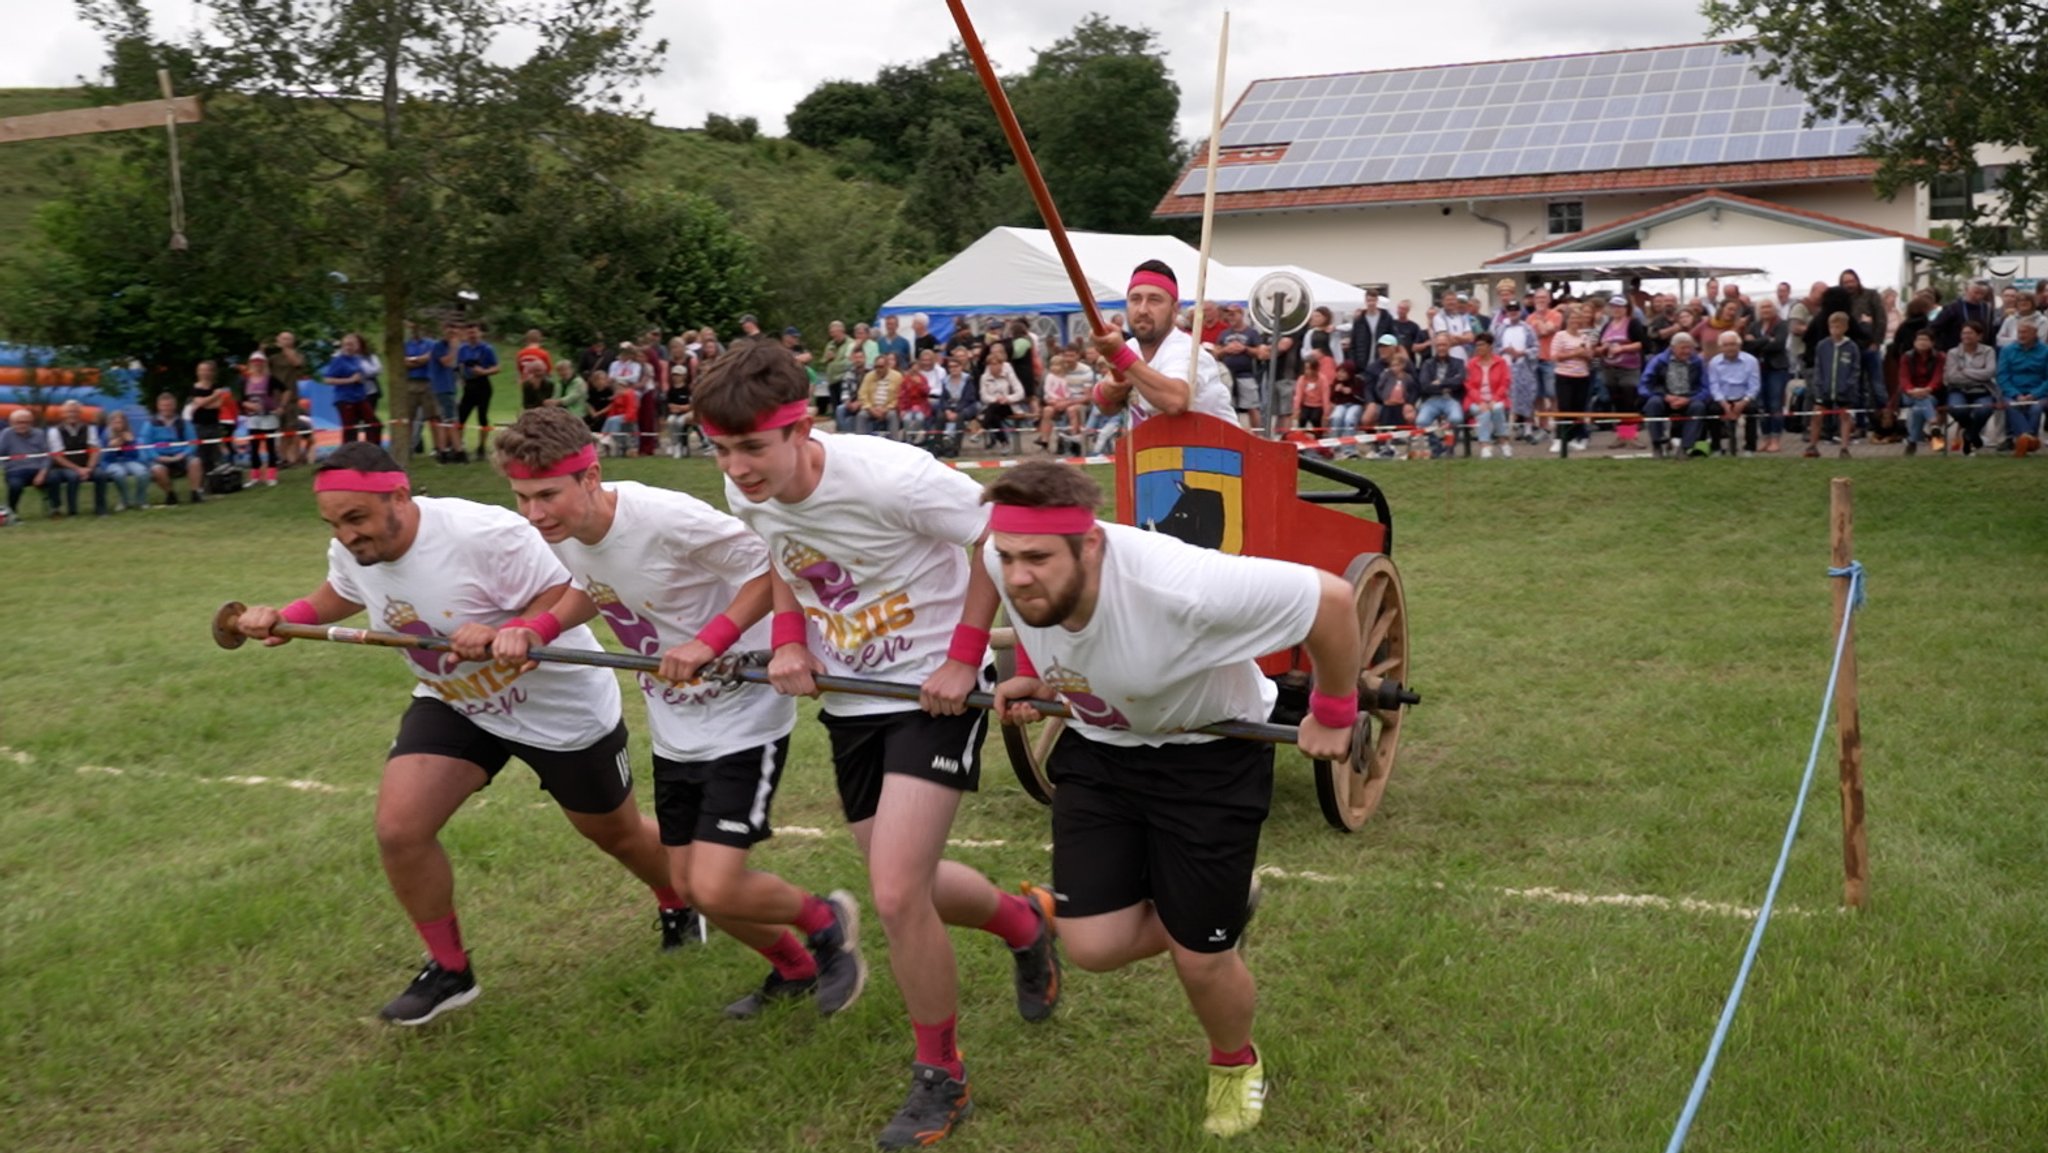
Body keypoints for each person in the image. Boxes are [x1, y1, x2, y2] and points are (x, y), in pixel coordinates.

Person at [693, 341, 1062, 1150]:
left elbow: (1000, 545)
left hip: (934, 690)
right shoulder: (745, 487)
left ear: (800, 426)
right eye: (721, 449)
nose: (738, 467)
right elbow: (783, 557)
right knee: (910, 882)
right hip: (855, 698)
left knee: (894, 894)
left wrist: (966, 657)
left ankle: (942, 1076)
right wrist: (789, 637)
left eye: (752, 446)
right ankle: (1026, 925)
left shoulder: (892, 476)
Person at [227, 442, 692, 1026]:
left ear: (399, 496)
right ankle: (450, 970)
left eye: (356, 519)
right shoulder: (352, 550)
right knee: (401, 829)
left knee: (617, 834)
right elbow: (343, 590)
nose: (346, 535)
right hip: (458, 703)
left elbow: (571, 590)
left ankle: (679, 900)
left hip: (559, 708)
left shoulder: (484, 534)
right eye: (334, 524)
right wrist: (288, 616)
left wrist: (515, 626)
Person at [983, 460, 1361, 1140]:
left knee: (1200, 957)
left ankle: (1234, 1062)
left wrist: (1334, 710)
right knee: (1093, 945)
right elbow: (1027, 607)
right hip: (1101, 751)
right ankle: (1216, 901)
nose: (1016, 575)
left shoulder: (1179, 587)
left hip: (1206, 762)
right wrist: (1043, 678)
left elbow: (1332, 600)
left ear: (1090, 543)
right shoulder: (1005, 553)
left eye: (1036, 558)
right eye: (1008, 557)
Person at [485, 407, 866, 1017]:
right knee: (691, 885)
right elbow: (594, 586)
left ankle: (826, 920)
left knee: (714, 882)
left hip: (742, 710)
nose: (534, 514)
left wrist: (708, 641)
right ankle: (792, 969)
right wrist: (540, 627)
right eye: (523, 498)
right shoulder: (569, 533)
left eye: (547, 495)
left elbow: (769, 569)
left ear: (590, 477)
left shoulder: (662, 518)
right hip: (674, 722)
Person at [1089, 261, 1238, 429]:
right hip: (1159, 453)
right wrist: (1110, 390)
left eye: (1154, 300)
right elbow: (1106, 407)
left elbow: (1175, 402)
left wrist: (1118, 355)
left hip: (1217, 451)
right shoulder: (1131, 348)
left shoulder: (1185, 351)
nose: (1143, 310)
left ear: (1175, 310)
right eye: (1135, 299)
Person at [1637, 332, 1708, 459]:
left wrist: (1688, 399)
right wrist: (1665, 396)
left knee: (1698, 407)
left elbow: (1706, 388)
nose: (1687, 351)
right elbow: (1644, 386)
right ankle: (1657, 445)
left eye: (1689, 348)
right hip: (1664, 397)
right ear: (1672, 348)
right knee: (1653, 403)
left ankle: (1685, 447)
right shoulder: (1658, 361)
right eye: (1683, 348)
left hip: (1688, 398)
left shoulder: (1697, 362)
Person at [1804, 313, 1862, 458]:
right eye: (1832, 327)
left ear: (1845, 328)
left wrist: (1849, 384)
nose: (1835, 330)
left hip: (1844, 390)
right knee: (1817, 415)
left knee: (1845, 417)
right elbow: (1818, 367)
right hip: (1825, 389)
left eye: (1838, 326)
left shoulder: (1852, 347)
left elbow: (1856, 369)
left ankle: (1844, 448)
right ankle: (1812, 446)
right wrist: (1818, 385)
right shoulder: (1823, 345)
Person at [1744, 301, 1792, 453]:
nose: (1766, 310)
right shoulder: (1754, 325)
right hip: (1758, 369)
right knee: (1761, 404)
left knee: (1775, 404)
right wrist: (1766, 340)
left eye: (1768, 307)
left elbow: (1778, 344)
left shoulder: (1782, 324)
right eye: (1763, 307)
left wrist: (1757, 343)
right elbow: (1748, 346)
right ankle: (1765, 438)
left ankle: (1775, 439)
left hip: (1777, 369)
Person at [140, 392, 206, 505]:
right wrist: (157, 457)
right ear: (158, 406)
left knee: (196, 462)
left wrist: (183, 454)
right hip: (160, 457)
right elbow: (145, 444)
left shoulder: (184, 423)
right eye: (164, 406)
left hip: (181, 455)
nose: (167, 408)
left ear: (174, 406)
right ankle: (170, 494)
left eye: (169, 405)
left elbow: (193, 442)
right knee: (157, 470)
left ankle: (195, 493)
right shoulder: (150, 424)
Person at [1945, 322, 1999, 455]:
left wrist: (1964, 370)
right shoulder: (1953, 353)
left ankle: (1968, 435)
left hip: (1982, 389)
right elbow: (1952, 377)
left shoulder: (1988, 351)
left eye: (1970, 333)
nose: (1966, 336)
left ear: (1979, 336)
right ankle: (1974, 436)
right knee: (1956, 409)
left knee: (1985, 409)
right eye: (1964, 333)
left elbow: (1989, 373)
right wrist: (1977, 374)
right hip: (1958, 389)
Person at [43, 399, 104, 516]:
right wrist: (78, 469)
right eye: (69, 412)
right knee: (73, 476)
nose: (72, 415)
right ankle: (72, 511)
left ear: (80, 414)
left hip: (86, 465)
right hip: (61, 467)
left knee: (101, 475)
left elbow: (94, 450)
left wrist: (89, 468)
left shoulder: (90, 428)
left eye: (75, 412)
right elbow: (58, 456)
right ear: (63, 414)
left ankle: (101, 508)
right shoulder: (54, 431)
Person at [1705, 330, 1761, 455]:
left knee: (1753, 410)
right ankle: (1716, 448)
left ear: (1739, 345)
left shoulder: (1751, 361)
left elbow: (1754, 385)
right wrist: (1724, 404)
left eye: (1732, 344)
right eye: (1726, 345)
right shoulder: (1714, 362)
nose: (1730, 348)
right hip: (1723, 399)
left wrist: (1744, 402)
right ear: (1720, 347)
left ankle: (1749, 449)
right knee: (1711, 411)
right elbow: (1714, 385)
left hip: (1743, 397)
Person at [1549, 304, 1595, 453]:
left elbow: (1589, 357)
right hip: (1564, 376)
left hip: (1582, 376)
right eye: (1572, 318)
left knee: (1578, 408)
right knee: (1565, 407)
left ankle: (1577, 437)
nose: (1575, 321)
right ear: (1567, 320)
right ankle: (1560, 438)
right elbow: (1555, 356)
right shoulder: (1560, 335)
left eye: (1578, 318)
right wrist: (1574, 354)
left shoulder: (1584, 337)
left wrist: (1586, 354)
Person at [1995, 319, 2048, 448]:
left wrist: (2035, 394)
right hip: (2013, 391)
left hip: (2038, 392)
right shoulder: (2007, 350)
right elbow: (2002, 376)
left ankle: (2024, 440)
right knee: (2012, 406)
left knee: (2035, 408)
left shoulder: (2045, 351)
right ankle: (2029, 439)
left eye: (2025, 332)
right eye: (2019, 332)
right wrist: (2016, 394)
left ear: (2035, 333)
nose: (2021, 335)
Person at [1414, 332, 1466, 456]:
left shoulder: (1459, 363)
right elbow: (1425, 386)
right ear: (1435, 347)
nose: (1441, 348)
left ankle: (1449, 449)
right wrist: (1446, 386)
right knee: (1421, 422)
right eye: (1439, 345)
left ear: (1449, 346)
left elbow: (1459, 382)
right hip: (1432, 400)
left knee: (1456, 418)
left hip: (1451, 399)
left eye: (1444, 345)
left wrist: (1440, 382)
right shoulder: (1427, 364)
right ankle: (1437, 448)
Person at [396, 320, 438, 467]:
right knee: (409, 418)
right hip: (411, 383)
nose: (415, 331)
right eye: (413, 328)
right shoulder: (406, 345)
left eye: (418, 328)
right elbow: (403, 362)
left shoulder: (432, 343)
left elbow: (429, 358)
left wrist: (413, 360)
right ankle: (407, 449)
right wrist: (418, 360)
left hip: (428, 382)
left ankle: (437, 449)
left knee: (433, 417)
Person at [1896, 329, 1945, 455]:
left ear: (1932, 343)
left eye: (1925, 339)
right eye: (1919, 339)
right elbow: (1903, 377)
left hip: (1932, 393)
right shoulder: (1906, 357)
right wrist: (1911, 390)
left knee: (1918, 409)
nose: (1922, 342)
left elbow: (1938, 377)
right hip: (1910, 394)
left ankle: (1912, 442)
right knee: (1922, 401)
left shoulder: (1940, 357)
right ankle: (1934, 425)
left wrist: (1927, 389)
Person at [457, 322, 500, 459]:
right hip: (468, 385)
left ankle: (481, 447)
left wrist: (484, 371)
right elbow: (459, 366)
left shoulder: (487, 349)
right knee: (461, 416)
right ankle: (459, 447)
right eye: (470, 333)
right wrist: (461, 379)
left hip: (483, 384)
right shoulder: (462, 349)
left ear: (480, 333)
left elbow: (497, 368)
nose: (472, 335)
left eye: (475, 332)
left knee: (482, 417)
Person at [1464, 333, 1512, 458]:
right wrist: (1480, 401)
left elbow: (1505, 383)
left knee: (1496, 408)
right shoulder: (1471, 364)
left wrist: (1494, 399)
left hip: (1497, 398)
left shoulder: (1501, 362)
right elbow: (1469, 386)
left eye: (1481, 345)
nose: (1478, 348)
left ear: (1490, 346)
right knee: (1484, 411)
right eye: (1477, 345)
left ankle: (1502, 441)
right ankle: (1485, 445)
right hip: (1475, 401)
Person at [325, 334, 378, 445]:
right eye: (347, 345)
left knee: (374, 423)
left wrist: (360, 379)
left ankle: (373, 449)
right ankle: (348, 455)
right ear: (343, 346)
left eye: (353, 344)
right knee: (350, 429)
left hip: (360, 396)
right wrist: (349, 380)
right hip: (345, 397)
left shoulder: (357, 359)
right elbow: (328, 380)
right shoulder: (338, 360)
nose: (350, 347)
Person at [241, 352, 284, 485]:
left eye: (260, 363)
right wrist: (248, 405)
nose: (257, 366)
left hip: (269, 416)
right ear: (251, 364)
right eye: (255, 363)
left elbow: (285, 390)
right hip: (253, 418)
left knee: (270, 446)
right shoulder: (245, 380)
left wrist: (281, 406)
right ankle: (255, 476)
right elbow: (241, 400)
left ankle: (271, 476)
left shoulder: (270, 379)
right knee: (254, 447)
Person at [1, 407, 53, 517]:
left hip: (37, 469)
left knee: (55, 478)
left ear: (31, 423)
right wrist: (6, 465)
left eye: (26, 422)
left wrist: (42, 473)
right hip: (15, 470)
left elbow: (47, 456)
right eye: (19, 422)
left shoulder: (39, 434)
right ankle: (11, 512)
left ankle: (54, 509)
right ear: (11, 423)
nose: (23, 425)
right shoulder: (6, 434)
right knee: (15, 485)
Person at [99, 409, 152, 510]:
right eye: (115, 422)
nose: (118, 425)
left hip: (129, 460)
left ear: (125, 423)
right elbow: (104, 458)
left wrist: (131, 442)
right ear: (110, 423)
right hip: (111, 462)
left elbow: (135, 455)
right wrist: (111, 448)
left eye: (120, 422)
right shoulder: (106, 435)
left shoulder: (129, 433)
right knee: (119, 473)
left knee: (143, 473)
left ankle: (141, 500)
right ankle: (125, 500)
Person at [428, 322, 464, 462]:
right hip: (442, 387)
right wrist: (454, 347)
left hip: (451, 387)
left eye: (455, 333)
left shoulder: (453, 348)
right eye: (450, 332)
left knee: (446, 419)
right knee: (450, 420)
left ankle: (446, 451)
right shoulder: (440, 347)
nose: (453, 335)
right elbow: (447, 362)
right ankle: (456, 452)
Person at [187, 359, 230, 473]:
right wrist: (214, 395)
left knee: (215, 453)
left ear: (212, 372)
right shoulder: (195, 387)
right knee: (201, 454)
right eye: (202, 370)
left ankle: (217, 479)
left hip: (214, 424)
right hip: (198, 425)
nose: (204, 373)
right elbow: (199, 402)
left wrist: (204, 403)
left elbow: (218, 404)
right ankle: (203, 481)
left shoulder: (217, 386)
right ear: (198, 372)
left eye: (207, 370)